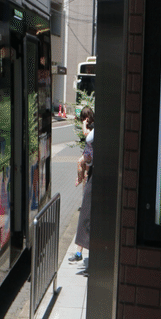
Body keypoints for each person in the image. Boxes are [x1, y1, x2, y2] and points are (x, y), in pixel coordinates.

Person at [71, 106, 94, 272]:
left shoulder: (91, 129)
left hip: (91, 170)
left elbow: (87, 135)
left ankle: (81, 253)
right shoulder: (94, 128)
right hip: (90, 170)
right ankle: (79, 252)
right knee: (85, 214)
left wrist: (84, 125)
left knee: (86, 215)